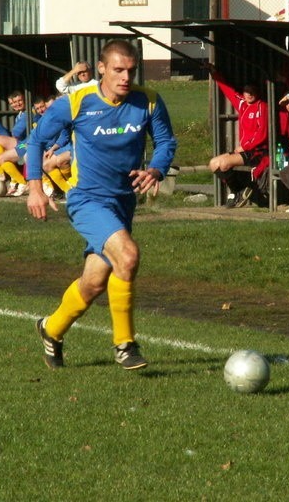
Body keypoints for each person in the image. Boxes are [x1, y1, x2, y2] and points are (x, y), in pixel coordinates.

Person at [27, 39, 177, 370]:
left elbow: (166, 141)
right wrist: (35, 188)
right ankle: (125, 344)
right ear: (101, 68)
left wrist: (156, 168)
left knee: (95, 282)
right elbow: (36, 141)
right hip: (86, 199)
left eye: (131, 71)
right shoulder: (76, 101)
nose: (125, 77)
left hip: (123, 202)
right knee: (128, 255)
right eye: (118, 70)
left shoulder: (147, 101)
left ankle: (51, 330)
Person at [207, 68, 269, 208]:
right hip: (244, 150)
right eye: (247, 91)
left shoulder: (262, 107)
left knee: (224, 164)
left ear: (258, 92)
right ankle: (239, 191)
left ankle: (237, 192)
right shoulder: (242, 104)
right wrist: (214, 74)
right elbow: (228, 91)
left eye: (252, 91)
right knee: (213, 163)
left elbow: (262, 134)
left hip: (257, 151)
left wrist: (245, 146)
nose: (249, 94)